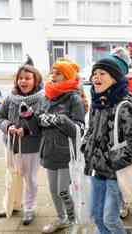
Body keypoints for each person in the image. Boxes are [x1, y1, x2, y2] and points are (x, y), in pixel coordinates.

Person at [81, 55, 132, 233]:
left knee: (110, 217)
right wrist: (86, 148)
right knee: (96, 214)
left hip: (116, 174)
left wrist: (112, 161)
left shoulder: (124, 106)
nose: (96, 77)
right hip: (97, 171)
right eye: (94, 73)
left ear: (115, 78)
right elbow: (90, 132)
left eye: (102, 73)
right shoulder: (96, 103)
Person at [38, 61, 85, 233]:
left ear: (66, 76)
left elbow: (79, 129)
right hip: (48, 151)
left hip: (66, 153)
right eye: (52, 72)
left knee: (63, 190)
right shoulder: (46, 96)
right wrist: (29, 117)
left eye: (57, 73)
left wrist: (61, 120)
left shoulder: (74, 98)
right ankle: (61, 218)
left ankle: (73, 220)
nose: (53, 75)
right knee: (53, 190)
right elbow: (37, 123)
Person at [0, 65, 44, 225]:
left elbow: (43, 124)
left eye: (28, 78)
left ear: (35, 80)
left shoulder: (42, 99)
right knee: (12, 176)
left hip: (31, 148)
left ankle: (29, 208)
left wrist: (27, 132)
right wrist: (9, 126)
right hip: (11, 145)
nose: (23, 81)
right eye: (20, 78)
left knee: (30, 179)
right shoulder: (10, 98)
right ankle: (12, 204)